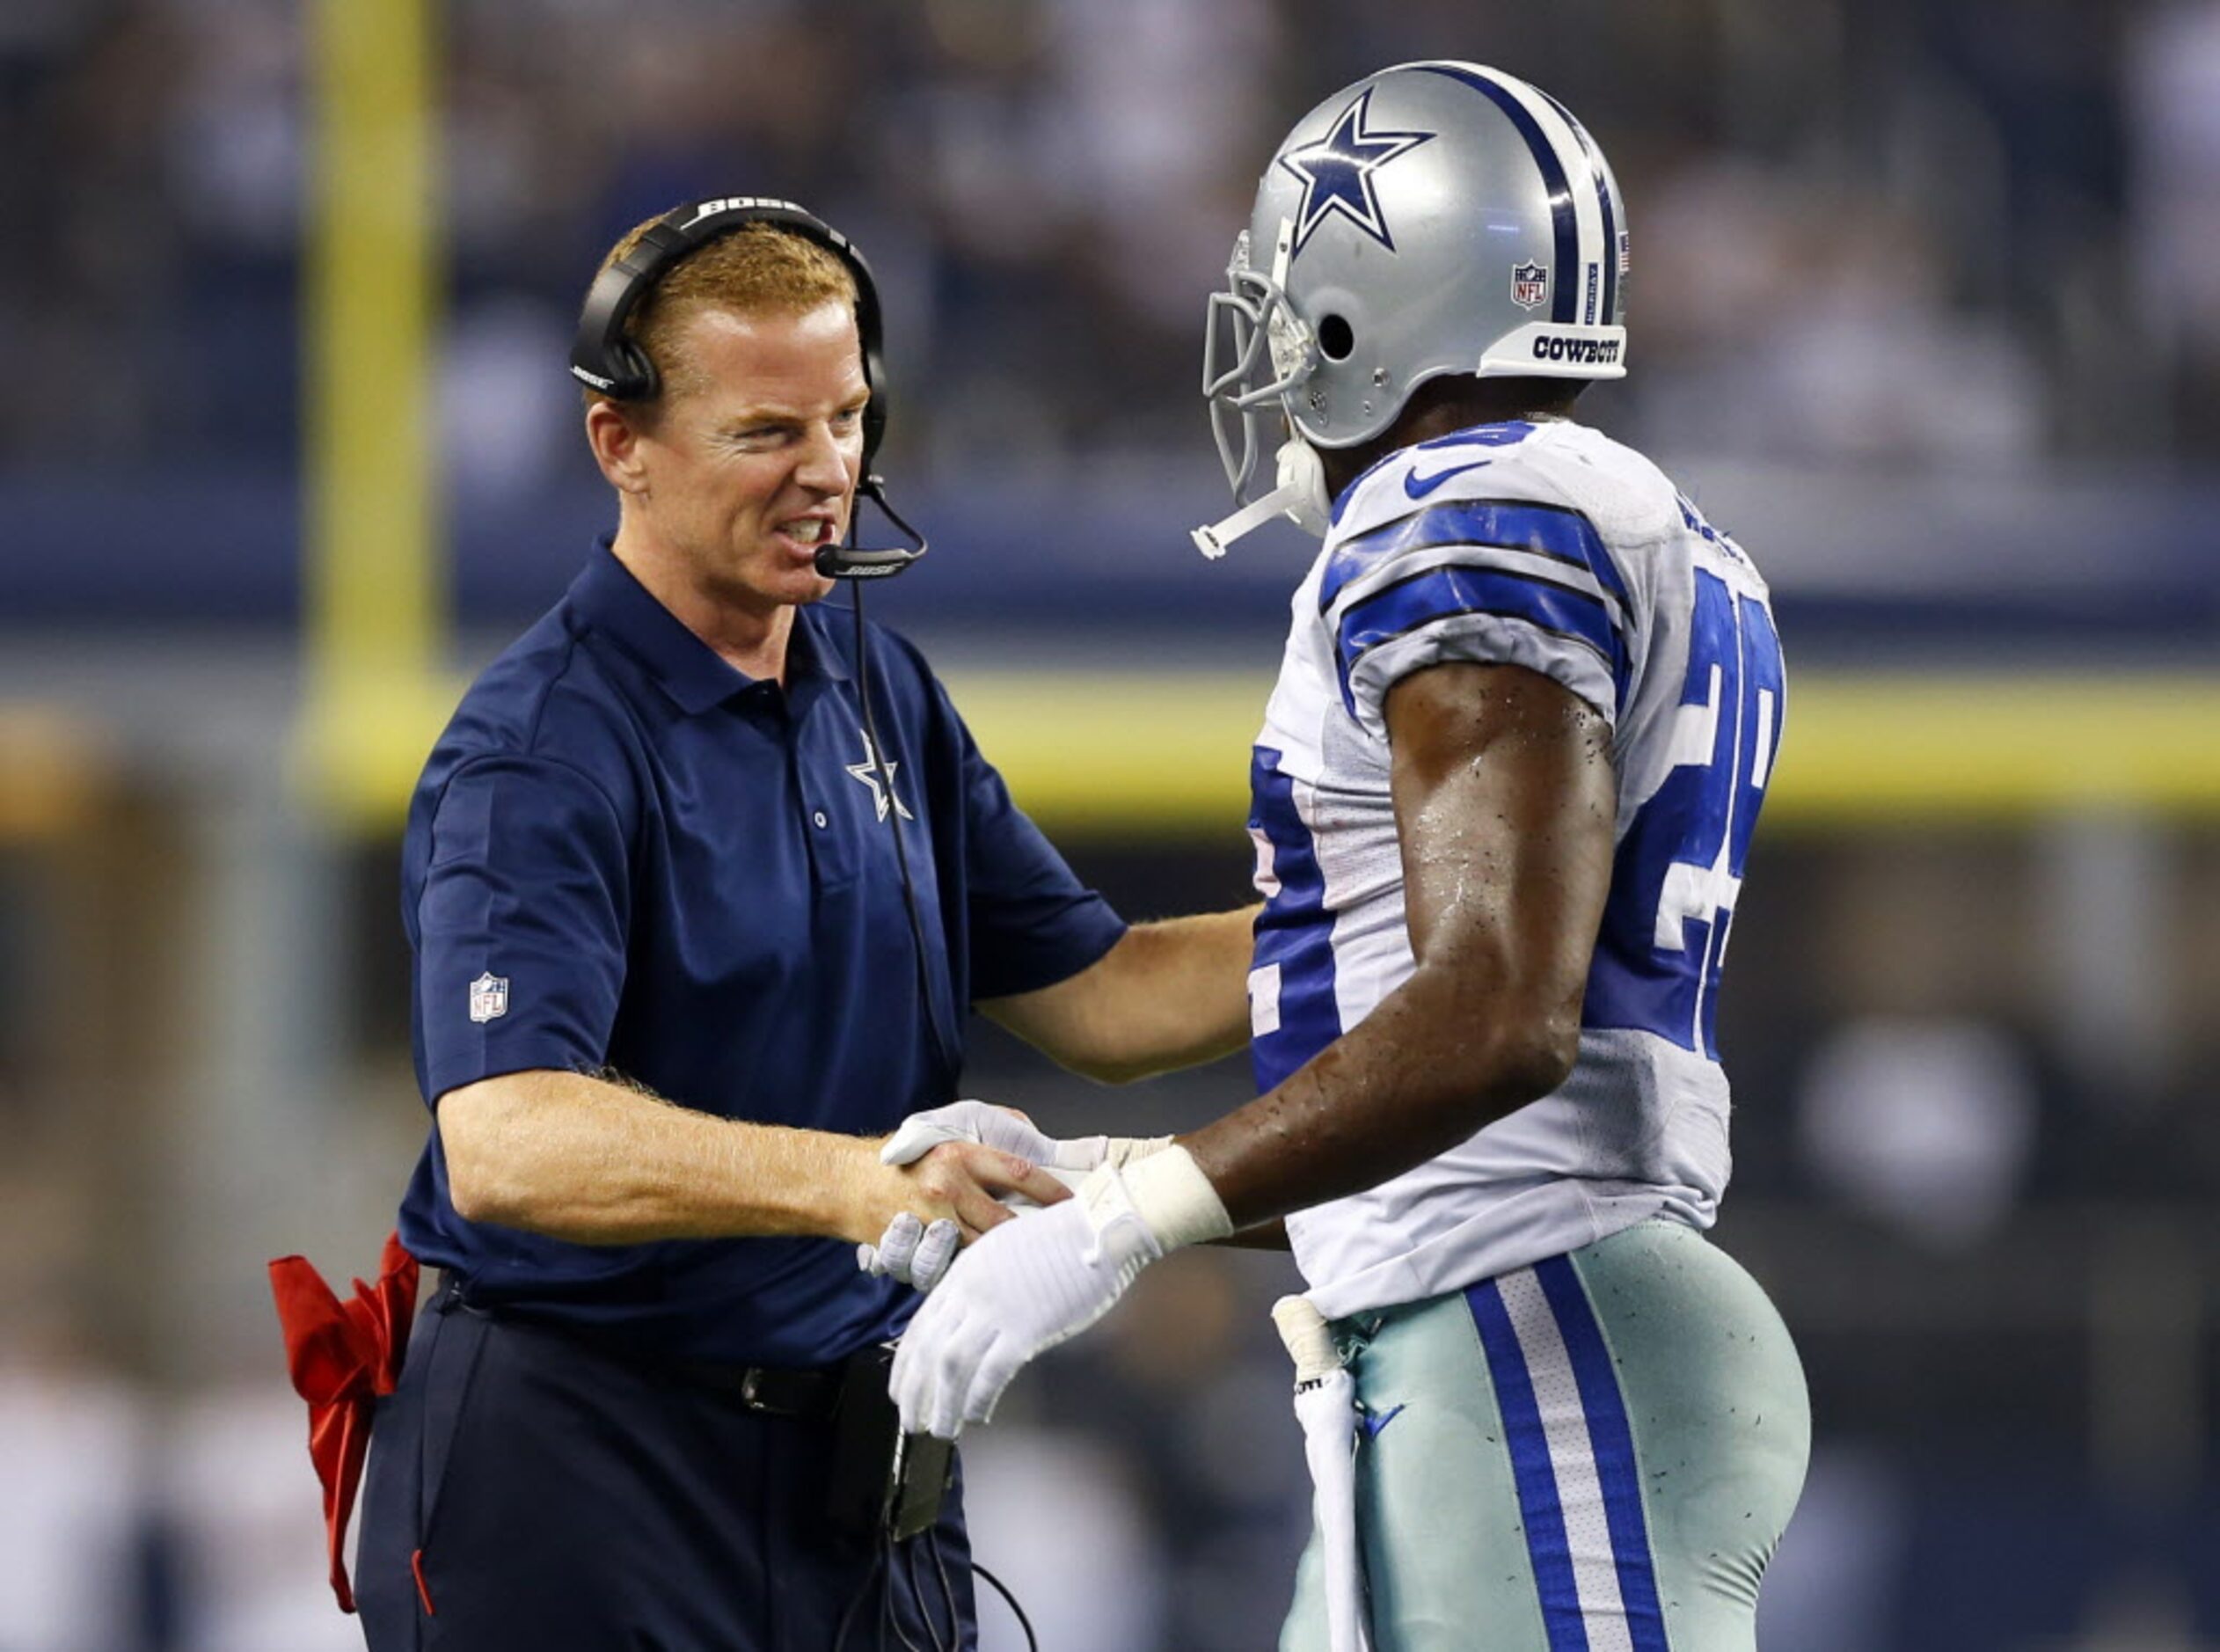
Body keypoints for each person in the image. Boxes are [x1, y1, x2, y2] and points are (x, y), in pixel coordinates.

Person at [891, 62, 1812, 1651]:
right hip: (1507, 1318)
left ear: (1363, 302)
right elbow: (1435, 1044)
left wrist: (1128, 1225)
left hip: (1536, 1331)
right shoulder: (1635, 522)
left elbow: (1495, 1018)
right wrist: (1102, 1181)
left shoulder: (1465, 506)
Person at [349, 197, 1253, 1652]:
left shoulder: (872, 679)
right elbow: (506, 1136)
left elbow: (1109, 998)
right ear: (620, 445)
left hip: (856, 1467)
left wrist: (1397, 933)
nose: (828, 469)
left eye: (847, 416)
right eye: (768, 431)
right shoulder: (544, 747)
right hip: (588, 1472)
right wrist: (851, 1182)